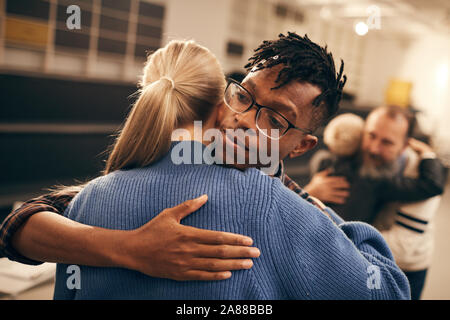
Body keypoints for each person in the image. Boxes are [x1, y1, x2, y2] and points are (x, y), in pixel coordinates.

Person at [1, 33, 409, 299]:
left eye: (275, 118)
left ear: (301, 146)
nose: (246, 118)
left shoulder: (96, 194)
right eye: (244, 96)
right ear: (219, 100)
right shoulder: (279, 205)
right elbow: (388, 290)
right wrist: (130, 249)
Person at [305, 106, 447, 299]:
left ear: (405, 146)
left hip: (405, 264)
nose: (373, 148)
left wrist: (430, 156)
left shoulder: (397, 176)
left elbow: (432, 185)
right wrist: (309, 192)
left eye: (387, 142)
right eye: (371, 135)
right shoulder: (351, 160)